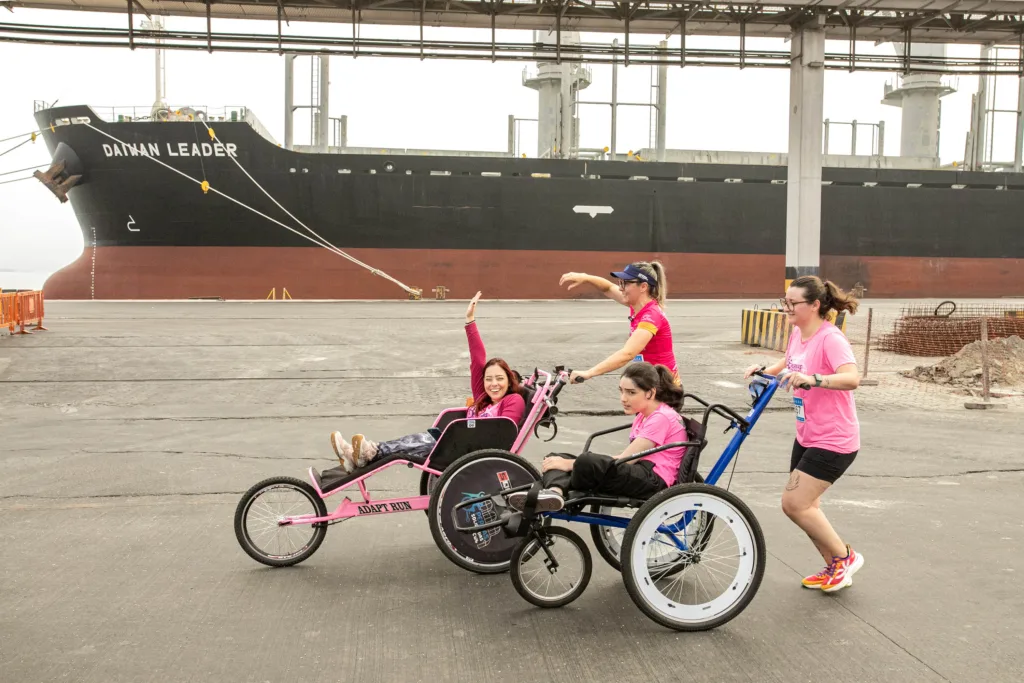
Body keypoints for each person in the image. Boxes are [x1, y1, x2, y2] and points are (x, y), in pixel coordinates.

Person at [743, 275, 864, 593]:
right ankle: (835, 566)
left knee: (795, 504)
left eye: (792, 303)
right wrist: (763, 371)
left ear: (814, 305)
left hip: (835, 438)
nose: (787, 308)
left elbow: (852, 378)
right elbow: (790, 362)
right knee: (807, 506)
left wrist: (814, 379)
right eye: (786, 302)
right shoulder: (798, 333)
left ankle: (845, 558)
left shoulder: (831, 338)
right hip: (808, 434)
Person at [331, 292, 526, 474]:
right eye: (489, 378)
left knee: (427, 441)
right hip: (458, 444)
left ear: (509, 381)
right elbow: (477, 359)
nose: (494, 384)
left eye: (500, 379)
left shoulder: (513, 400)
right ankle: (360, 455)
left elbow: (503, 432)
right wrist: (470, 320)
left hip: (473, 452)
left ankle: (368, 453)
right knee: (418, 439)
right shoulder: (482, 398)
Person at [507, 362, 686, 513]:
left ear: (650, 393)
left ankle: (558, 489)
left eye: (631, 393)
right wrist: (568, 462)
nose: (623, 398)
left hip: (653, 480)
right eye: (621, 391)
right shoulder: (645, 413)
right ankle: (555, 492)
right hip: (640, 470)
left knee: (585, 462)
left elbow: (627, 459)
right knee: (555, 456)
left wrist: (572, 464)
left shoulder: (660, 418)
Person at [558, 261, 679, 385]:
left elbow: (627, 353)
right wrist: (586, 277)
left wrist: (589, 373)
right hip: (649, 382)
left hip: (665, 389)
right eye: (620, 282)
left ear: (643, 287)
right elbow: (608, 287)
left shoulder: (652, 316)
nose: (621, 288)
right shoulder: (637, 304)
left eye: (625, 283)